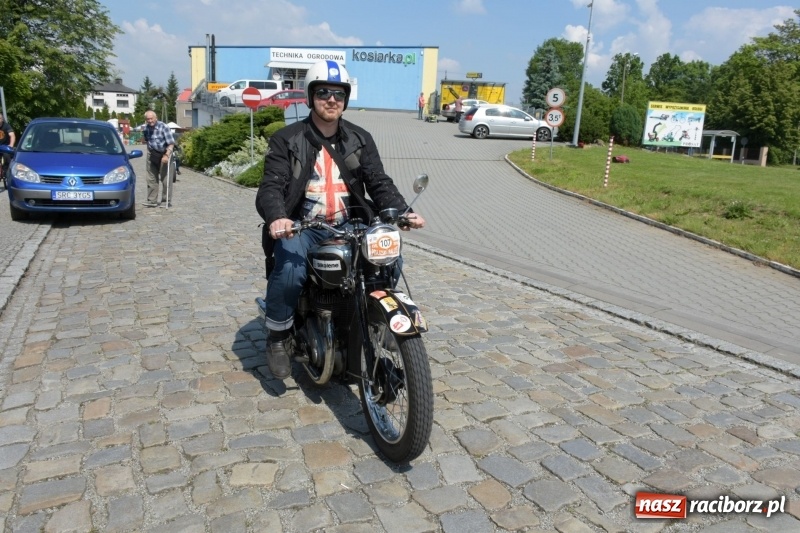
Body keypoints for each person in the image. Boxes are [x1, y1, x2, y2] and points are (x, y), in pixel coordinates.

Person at [255, 60, 426, 379]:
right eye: (323, 92)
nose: (331, 99)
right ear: (310, 97)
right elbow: (272, 185)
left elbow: (378, 181)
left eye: (338, 93)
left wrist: (401, 211)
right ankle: (278, 336)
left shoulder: (360, 138)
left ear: (346, 98)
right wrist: (278, 217)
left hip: (352, 223)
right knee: (290, 268)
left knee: (389, 255)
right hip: (304, 225)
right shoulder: (287, 139)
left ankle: (374, 321)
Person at [142, 111, 175, 207]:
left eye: (151, 118)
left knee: (165, 178)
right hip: (152, 153)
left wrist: (167, 155)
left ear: (155, 118)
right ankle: (152, 200)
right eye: (148, 119)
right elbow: (147, 141)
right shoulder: (146, 128)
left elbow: (171, 143)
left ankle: (165, 201)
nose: (150, 120)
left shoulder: (163, 127)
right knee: (151, 178)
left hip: (164, 153)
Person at [0, 115, 16, 181]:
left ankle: (7, 172)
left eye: (0, 118)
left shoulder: (6, 126)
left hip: (5, 146)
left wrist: (11, 145)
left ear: (2, 119)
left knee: (7, 156)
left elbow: (12, 135)